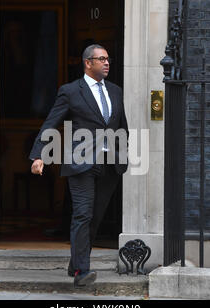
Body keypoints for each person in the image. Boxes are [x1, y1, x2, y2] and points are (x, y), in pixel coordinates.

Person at [29, 44, 129, 287]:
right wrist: (39, 155)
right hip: (81, 162)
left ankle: (76, 262)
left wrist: (125, 153)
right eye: (101, 59)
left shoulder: (115, 91)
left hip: (109, 164)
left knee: (95, 218)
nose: (107, 63)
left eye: (108, 59)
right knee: (83, 214)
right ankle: (81, 272)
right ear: (88, 63)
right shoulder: (71, 91)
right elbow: (51, 122)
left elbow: (121, 126)